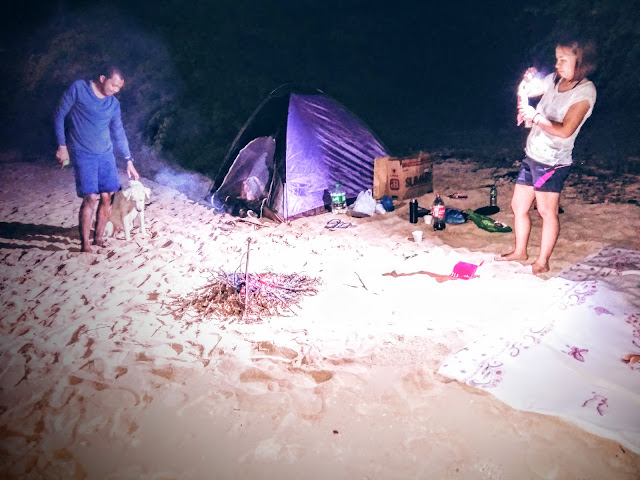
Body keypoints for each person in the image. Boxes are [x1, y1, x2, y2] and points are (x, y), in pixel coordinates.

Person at [499, 36, 597, 274]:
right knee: (518, 206)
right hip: (532, 154)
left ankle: (542, 261)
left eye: (564, 59)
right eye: (556, 59)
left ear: (582, 62)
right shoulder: (554, 79)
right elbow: (526, 93)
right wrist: (526, 82)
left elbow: (565, 130)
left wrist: (535, 117)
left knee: (546, 212)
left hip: (553, 161)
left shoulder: (585, 92)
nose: (557, 64)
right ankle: (520, 251)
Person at [54, 66, 139, 253]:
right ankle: (85, 244)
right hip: (83, 153)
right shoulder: (79, 88)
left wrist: (128, 160)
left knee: (108, 196)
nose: (115, 90)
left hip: (105, 154)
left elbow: (119, 132)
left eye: (119, 88)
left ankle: (98, 238)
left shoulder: (113, 104)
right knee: (91, 197)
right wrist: (62, 146)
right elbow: (60, 115)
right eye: (113, 85)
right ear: (102, 78)